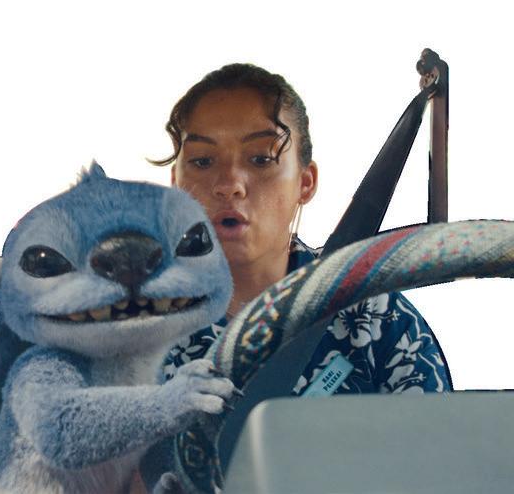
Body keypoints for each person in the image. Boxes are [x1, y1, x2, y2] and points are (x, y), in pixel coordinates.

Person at [153, 62, 452, 397]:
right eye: (203, 161)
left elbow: (439, 430)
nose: (229, 184)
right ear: (176, 185)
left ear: (305, 183)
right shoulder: (130, 324)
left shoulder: (374, 315)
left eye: (261, 159)